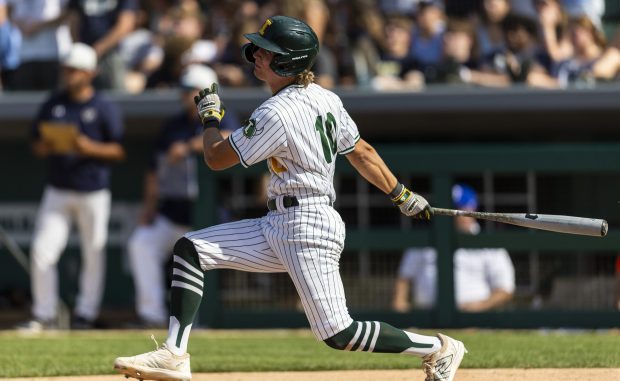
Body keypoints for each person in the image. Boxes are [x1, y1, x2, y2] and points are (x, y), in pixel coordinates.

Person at [113, 15, 466, 381]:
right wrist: (401, 194)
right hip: (278, 223)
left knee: (339, 334)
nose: (257, 56)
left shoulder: (275, 112)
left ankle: (439, 348)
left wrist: (210, 121)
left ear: (289, 62)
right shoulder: (326, 98)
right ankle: (174, 354)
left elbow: (216, 159)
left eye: (267, 52)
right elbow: (362, 152)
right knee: (190, 249)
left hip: (306, 225)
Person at [16, 42, 125, 332]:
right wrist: (48, 144)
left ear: (90, 73)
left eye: (74, 70)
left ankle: (85, 315)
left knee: (93, 253)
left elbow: (118, 151)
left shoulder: (103, 106)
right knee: (42, 250)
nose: (69, 75)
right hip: (58, 188)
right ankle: (44, 315)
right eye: (66, 69)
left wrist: (88, 147)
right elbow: (36, 144)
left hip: (93, 190)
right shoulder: (53, 102)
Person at [126, 64, 238, 328]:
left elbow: (232, 138)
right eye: (185, 91)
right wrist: (149, 207)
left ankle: (200, 321)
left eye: (192, 91)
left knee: (205, 261)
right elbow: (154, 169)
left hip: (209, 212)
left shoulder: (223, 116)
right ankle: (151, 315)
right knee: (141, 244)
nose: (186, 96)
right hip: (173, 211)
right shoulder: (173, 125)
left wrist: (189, 146)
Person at [393, 184, 515, 313]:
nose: (451, 216)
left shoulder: (488, 244)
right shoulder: (425, 239)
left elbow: (505, 289)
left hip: (474, 319)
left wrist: (480, 307)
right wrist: (400, 304)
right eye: (447, 210)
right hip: (426, 316)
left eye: (457, 210)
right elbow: (404, 277)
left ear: (472, 210)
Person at [67, 0, 138, 90]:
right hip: (84, 57)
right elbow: (73, 20)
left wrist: (99, 48)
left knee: (116, 94)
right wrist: (81, 50)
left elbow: (125, 24)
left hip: (111, 55)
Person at [5, 0, 72, 91]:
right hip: (23, 57)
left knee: (50, 97)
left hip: (51, 55)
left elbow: (69, 12)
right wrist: (21, 25)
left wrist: (40, 25)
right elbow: (8, 10)